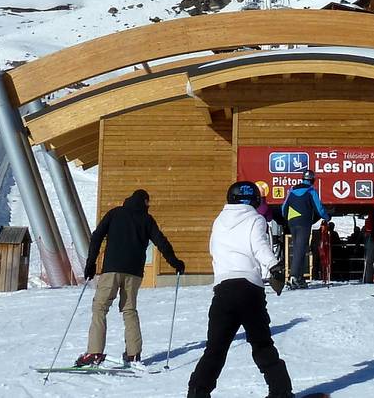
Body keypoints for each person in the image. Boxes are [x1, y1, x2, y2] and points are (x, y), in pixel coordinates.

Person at [187, 181, 292, 398]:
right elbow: (259, 246)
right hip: (249, 290)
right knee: (262, 344)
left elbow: (213, 249)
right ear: (254, 200)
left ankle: (197, 392)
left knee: (215, 348)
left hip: (223, 290)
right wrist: (274, 266)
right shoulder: (255, 219)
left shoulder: (219, 221)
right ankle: (280, 392)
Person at [76, 189, 185, 368]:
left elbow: (97, 236)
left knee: (100, 307)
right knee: (129, 310)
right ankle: (133, 354)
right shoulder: (147, 220)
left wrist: (91, 264)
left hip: (112, 269)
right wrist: (175, 263)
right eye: (148, 202)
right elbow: (161, 242)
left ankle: (94, 352)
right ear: (144, 202)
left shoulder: (115, 213)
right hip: (134, 273)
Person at [280, 170, 330, 290]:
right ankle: (294, 277)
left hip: (292, 222)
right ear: (312, 180)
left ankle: (300, 277)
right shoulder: (311, 191)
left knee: (299, 248)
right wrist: (327, 217)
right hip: (304, 222)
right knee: (301, 249)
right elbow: (319, 208)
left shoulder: (292, 190)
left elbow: (283, 208)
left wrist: (288, 218)